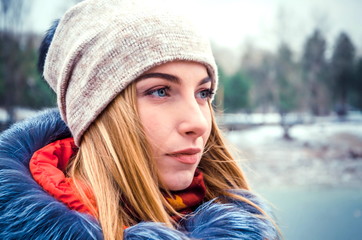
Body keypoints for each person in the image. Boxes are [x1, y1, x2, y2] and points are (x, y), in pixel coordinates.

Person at [0, 0, 280, 239]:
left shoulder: (231, 217)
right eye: (160, 91)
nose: (199, 123)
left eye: (203, 93)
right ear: (97, 113)